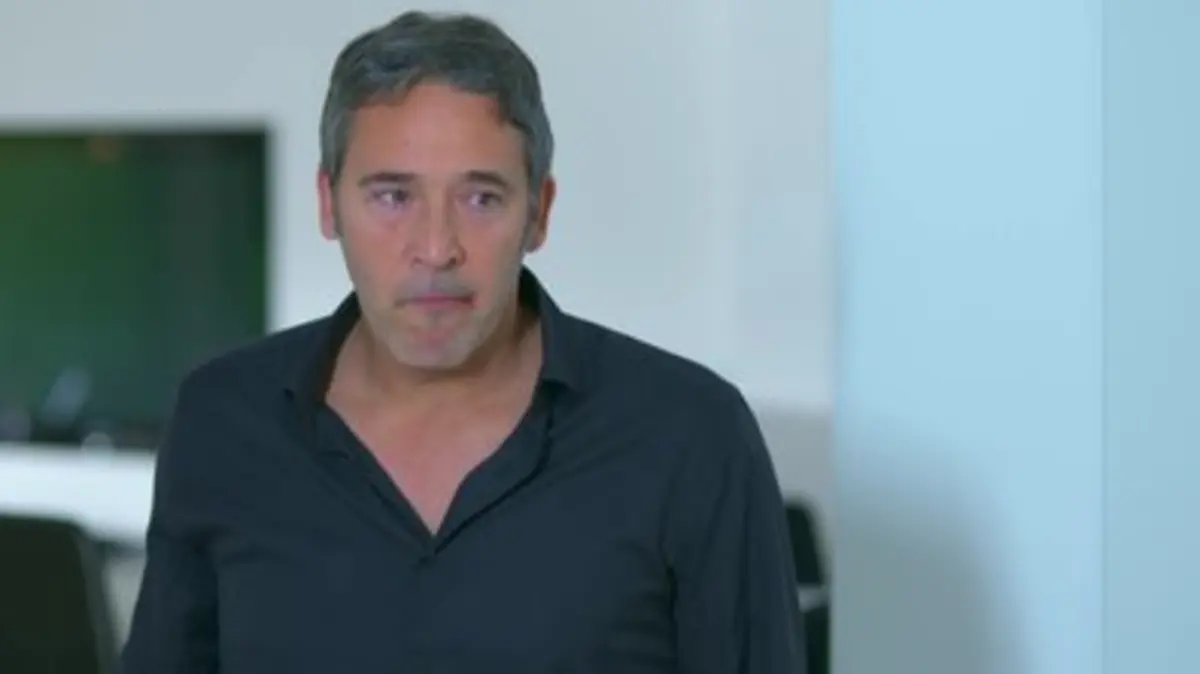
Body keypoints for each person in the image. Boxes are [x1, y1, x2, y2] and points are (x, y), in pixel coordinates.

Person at [122, 10, 806, 674]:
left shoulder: (689, 434)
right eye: (393, 197)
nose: (435, 247)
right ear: (329, 204)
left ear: (538, 212)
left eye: (481, 198)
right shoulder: (222, 419)